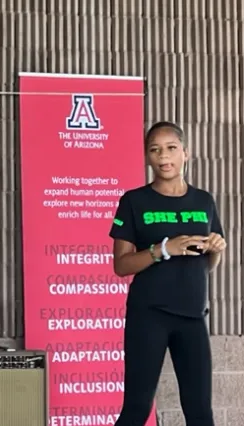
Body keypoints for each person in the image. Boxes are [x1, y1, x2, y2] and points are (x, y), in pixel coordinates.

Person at [109, 121, 226, 426]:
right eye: (155, 150)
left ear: (185, 153)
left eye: (171, 148)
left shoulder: (204, 201)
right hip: (148, 316)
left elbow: (207, 265)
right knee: (136, 408)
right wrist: (162, 250)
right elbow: (121, 266)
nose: (164, 156)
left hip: (192, 316)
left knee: (201, 413)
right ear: (147, 157)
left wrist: (216, 250)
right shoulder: (134, 201)